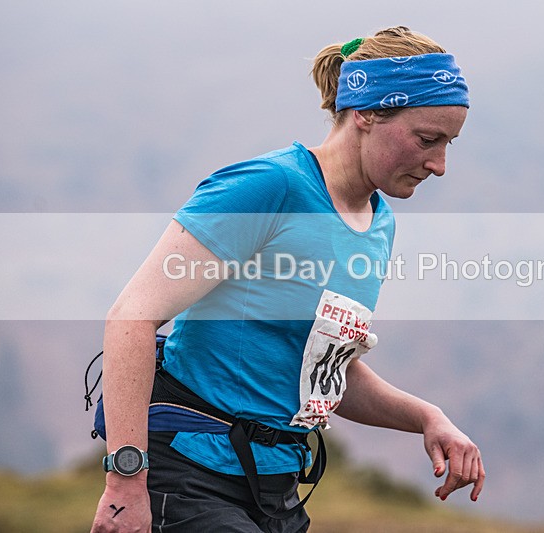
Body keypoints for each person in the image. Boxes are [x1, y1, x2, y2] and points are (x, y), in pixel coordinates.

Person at [90, 26, 485, 533]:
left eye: (449, 143)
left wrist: (427, 417)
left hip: (276, 488)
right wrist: (125, 483)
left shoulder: (378, 224)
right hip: (189, 471)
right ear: (364, 112)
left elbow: (319, 370)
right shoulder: (268, 187)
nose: (440, 164)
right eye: (427, 139)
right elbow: (132, 316)